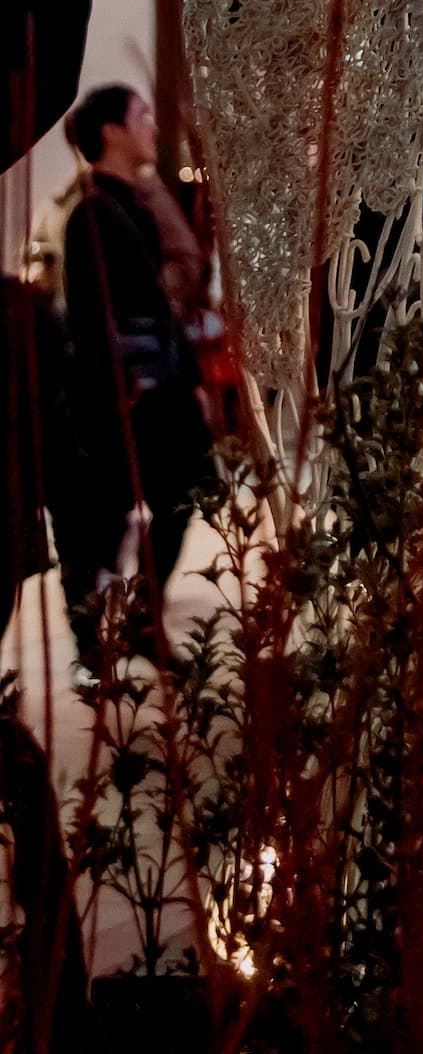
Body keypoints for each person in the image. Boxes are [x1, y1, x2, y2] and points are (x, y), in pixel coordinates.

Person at [45, 82, 214, 670]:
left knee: (188, 486)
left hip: (159, 384)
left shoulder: (131, 203)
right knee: (106, 517)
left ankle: (141, 613)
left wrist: (191, 376)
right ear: (112, 131)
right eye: (142, 114)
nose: (153, 125)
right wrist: (122, 388)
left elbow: (166, 305)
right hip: (131, 392)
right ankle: (99, 642)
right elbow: (94, 317)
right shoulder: (93, 211)